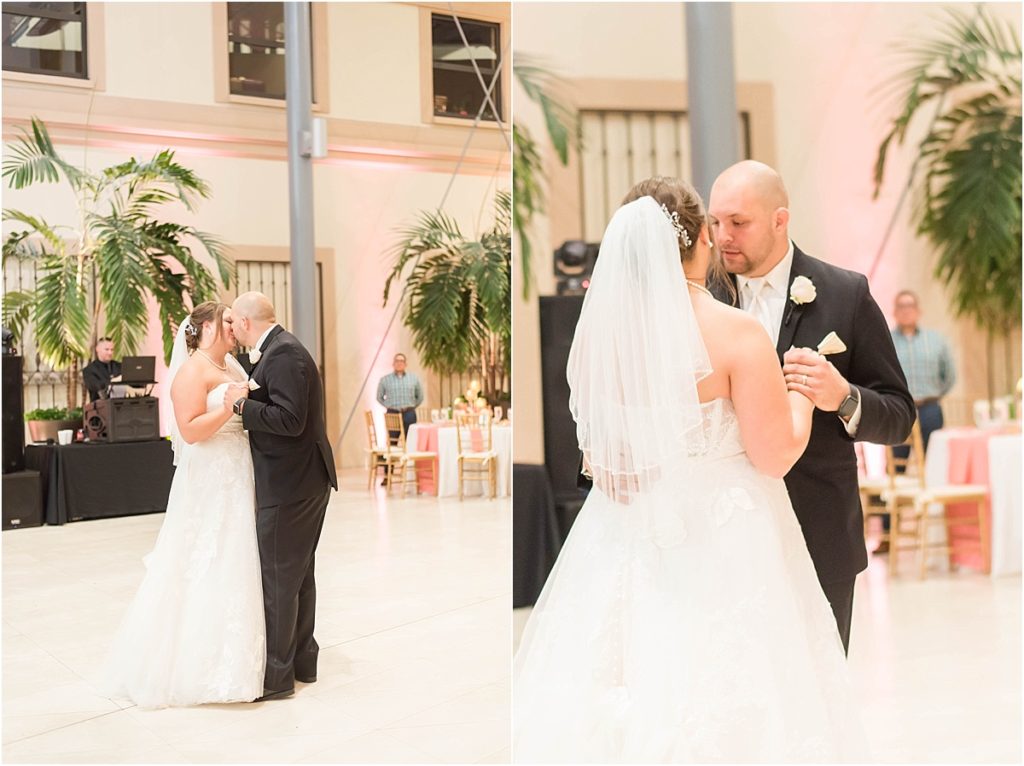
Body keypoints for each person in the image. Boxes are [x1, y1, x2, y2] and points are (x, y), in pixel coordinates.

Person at [514, 182, 868, 762]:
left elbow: (604, 465)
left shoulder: (609, 340)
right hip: (731, 534)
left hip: (629, 531)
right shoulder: (735, 332)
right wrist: (802, 397)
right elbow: (774, 454)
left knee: (632, 679)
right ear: (702, 237)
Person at [708, 161, 915, 652]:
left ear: (780, 220)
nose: (723, 237)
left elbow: (899, 414)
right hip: (723, 537)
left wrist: (843, 397)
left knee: (820, 696)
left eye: (739, 223)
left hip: (819, 530)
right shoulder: (702, 297)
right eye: (716, 223)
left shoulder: (846, 293)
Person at [102, 302, 265, 708]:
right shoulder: (191, 371)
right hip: (211, 473)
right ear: (205, 326)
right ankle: (201, 666)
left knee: (239, 554)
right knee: (209, 557)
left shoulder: (233, 366)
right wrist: (228, 407)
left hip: (238, 468)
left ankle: (244, 657)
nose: (233, 326)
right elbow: (190, 431)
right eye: (226, 320)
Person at [226, 292, 338, 702]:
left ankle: (277, 679)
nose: (232, 329)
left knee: (279, 580)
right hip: (301, 480)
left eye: (233, 322)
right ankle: (302, 663)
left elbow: (291, 420)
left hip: (293, 483)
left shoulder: (284, 354)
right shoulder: (276, 350)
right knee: (297, 577)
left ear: (244, 321)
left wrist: (242, 407)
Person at [890, 289, 955, 449]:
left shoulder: (936, 340)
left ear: (919, 310)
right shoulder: (886, 340)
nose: (906, 310)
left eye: (910, 305)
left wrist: (935, 394)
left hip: (930, 409)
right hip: (898, 409)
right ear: (895, 312)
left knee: (934, 459)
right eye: (901, 306)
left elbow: (949, 375)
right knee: (898, 464)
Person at [376, 352, 424, 437]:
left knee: (410, 440)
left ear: (405, 364)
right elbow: (379, 397)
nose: (399, 363)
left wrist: (412, 406)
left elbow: (420, 396)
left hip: (409, 413)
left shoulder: (413, 378)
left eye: (401, 361)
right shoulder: (385, 379)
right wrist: (388, 406)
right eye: (397, 361)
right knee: (392, 440)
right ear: (393, 364)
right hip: (392, 414)